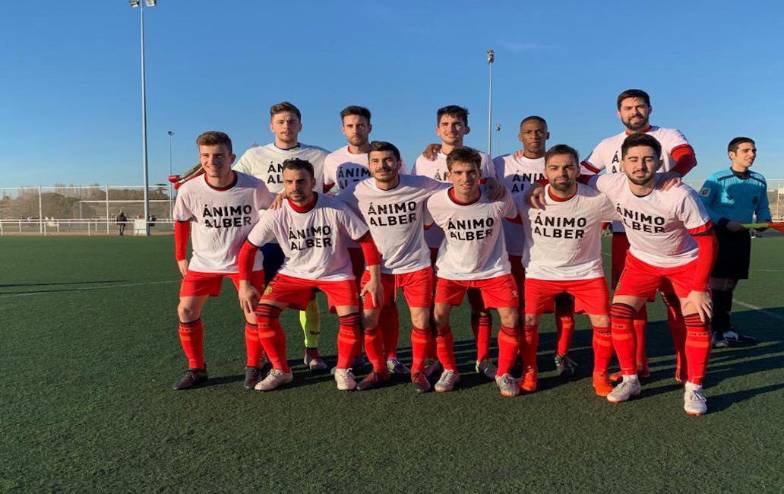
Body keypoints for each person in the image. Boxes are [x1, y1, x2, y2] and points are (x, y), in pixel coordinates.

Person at [594, 134, 717, 416]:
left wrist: (699, 288)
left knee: (698, 320)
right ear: (622, 163)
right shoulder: (610, 183)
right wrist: (537, 188)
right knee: (619, 314)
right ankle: (630, 379)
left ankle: (694, 387)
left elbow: (709, 242)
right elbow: (580, 178)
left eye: (648, 159)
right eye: (633, 159)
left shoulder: (680, 194)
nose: (640, 166)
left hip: (685, 263)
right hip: (642, 262)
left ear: (660, 162)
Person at [236, 158, 383, 391]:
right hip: (293, 273)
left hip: (335, 273)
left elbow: (365, 240)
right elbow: (248, 249)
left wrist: (374, 277)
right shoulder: (275, 213)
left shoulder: (334, 206)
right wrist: (245, 285)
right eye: (289, 182)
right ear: (283, 184)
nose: (295, 187)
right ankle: (281, 370)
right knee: (263, 315)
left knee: (350, 320)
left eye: (301, 181)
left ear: (313, 182)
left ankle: (343, 369)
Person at [580, 88, 698, 380]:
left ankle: (684, 363)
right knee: (630, 304)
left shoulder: (667, 135)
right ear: (618, 113)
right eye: (628, 108)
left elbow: (687, 157)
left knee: (676, 303)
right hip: (627, 232)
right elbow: (583, 172)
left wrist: (674, 173)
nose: (634, 112)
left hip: (668, 235)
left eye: (640, 106)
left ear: (649, 109)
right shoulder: (608, 144)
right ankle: (637, 363)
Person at [171, 131, 276, 391]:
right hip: (203, 262)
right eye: (205, 156)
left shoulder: (254, 186)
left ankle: (254, 366)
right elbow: (181, 221)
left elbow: (274, 211)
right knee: (186, 311)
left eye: (218, 156)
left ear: (231, 157)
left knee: (254, 314)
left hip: (246, 263)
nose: (211, 161)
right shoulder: (189, 189)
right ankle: (196, 368)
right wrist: (180, 255)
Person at [233, 101, 330, 371]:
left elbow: (348, 171)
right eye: (280, 122)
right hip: (269, 240)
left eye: (291, 121)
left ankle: (312, 350)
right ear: (271, 126)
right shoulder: (254, 156)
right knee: (262, 300)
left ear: (300, 125)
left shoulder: (320, 156)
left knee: (308, 299)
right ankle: (266, 353)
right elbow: (233, 183)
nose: (286, 126)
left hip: (305, 239)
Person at [515, 145, 617, 396]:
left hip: (586, 273)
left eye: (568, 167)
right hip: (541, 272)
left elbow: (635, 204)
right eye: (554, 168)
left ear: (578, 170)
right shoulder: (526, 200)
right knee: (528, 321)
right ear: (545, 172)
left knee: (604, 322)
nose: (561, 173)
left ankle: (600, 374)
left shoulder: (597, 200)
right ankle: (529, 371)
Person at [425, 147, 521, 396]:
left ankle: (503, 372)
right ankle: (450, 369)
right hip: (452, 271)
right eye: (458, 173)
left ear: (480, 174)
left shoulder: (498, 198)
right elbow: (423, 225)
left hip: (494, 270)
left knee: (511, 318)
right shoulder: (436, 202)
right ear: (449, 175)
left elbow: (514, 216)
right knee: (438, 317)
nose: (465, 178)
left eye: (471, 172)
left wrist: (499, 187)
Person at [413, 105, 498, 380]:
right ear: (437, 129)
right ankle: (435, 358)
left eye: (457, 124)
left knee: (480, 306)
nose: (452, 129)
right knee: (432, 309)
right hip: (432, 242)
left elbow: (491, 192)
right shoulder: (424, 159)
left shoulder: (482, 158)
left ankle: (483, 358)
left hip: (473, 244)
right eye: (446, 124)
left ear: (466, 128)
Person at [323, 106, 408, 375]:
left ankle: (390, 355)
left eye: (360, 125)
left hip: (382, 241)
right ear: (342, 129)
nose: (355, 130)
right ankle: (356, 353)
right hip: (347, 244)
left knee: (386, 302)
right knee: (351, 304)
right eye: (350, 126)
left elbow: (405, 186)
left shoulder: (384, 155)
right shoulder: (333, 160)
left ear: (369, 127)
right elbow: (321, 194)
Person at [494, 116, 578, 377]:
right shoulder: (501, 163)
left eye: (539, 131)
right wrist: (437, 150)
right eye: (528, 132)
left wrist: (539, 184)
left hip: (555, 251)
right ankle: (521, 353)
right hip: (512, 249)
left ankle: (562, 354)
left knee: (564, 307)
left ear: (547, 134)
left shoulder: (559, 162)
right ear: (520, 136)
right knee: (520, 310)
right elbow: (471, 171)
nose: (534, 136)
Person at [700, 137, 771, 347]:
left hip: (742, 236)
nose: (752, 154)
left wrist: (764, 220)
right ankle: (711, 331)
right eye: (746, 150)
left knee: (731, 283)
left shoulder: (759, 180)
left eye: (754, 150)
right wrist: (724, 222)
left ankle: (724, 330)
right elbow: (702, 206)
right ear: (732, 154)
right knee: (717, 283)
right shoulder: (717, 179)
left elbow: (762, 206)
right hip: (719, 235)